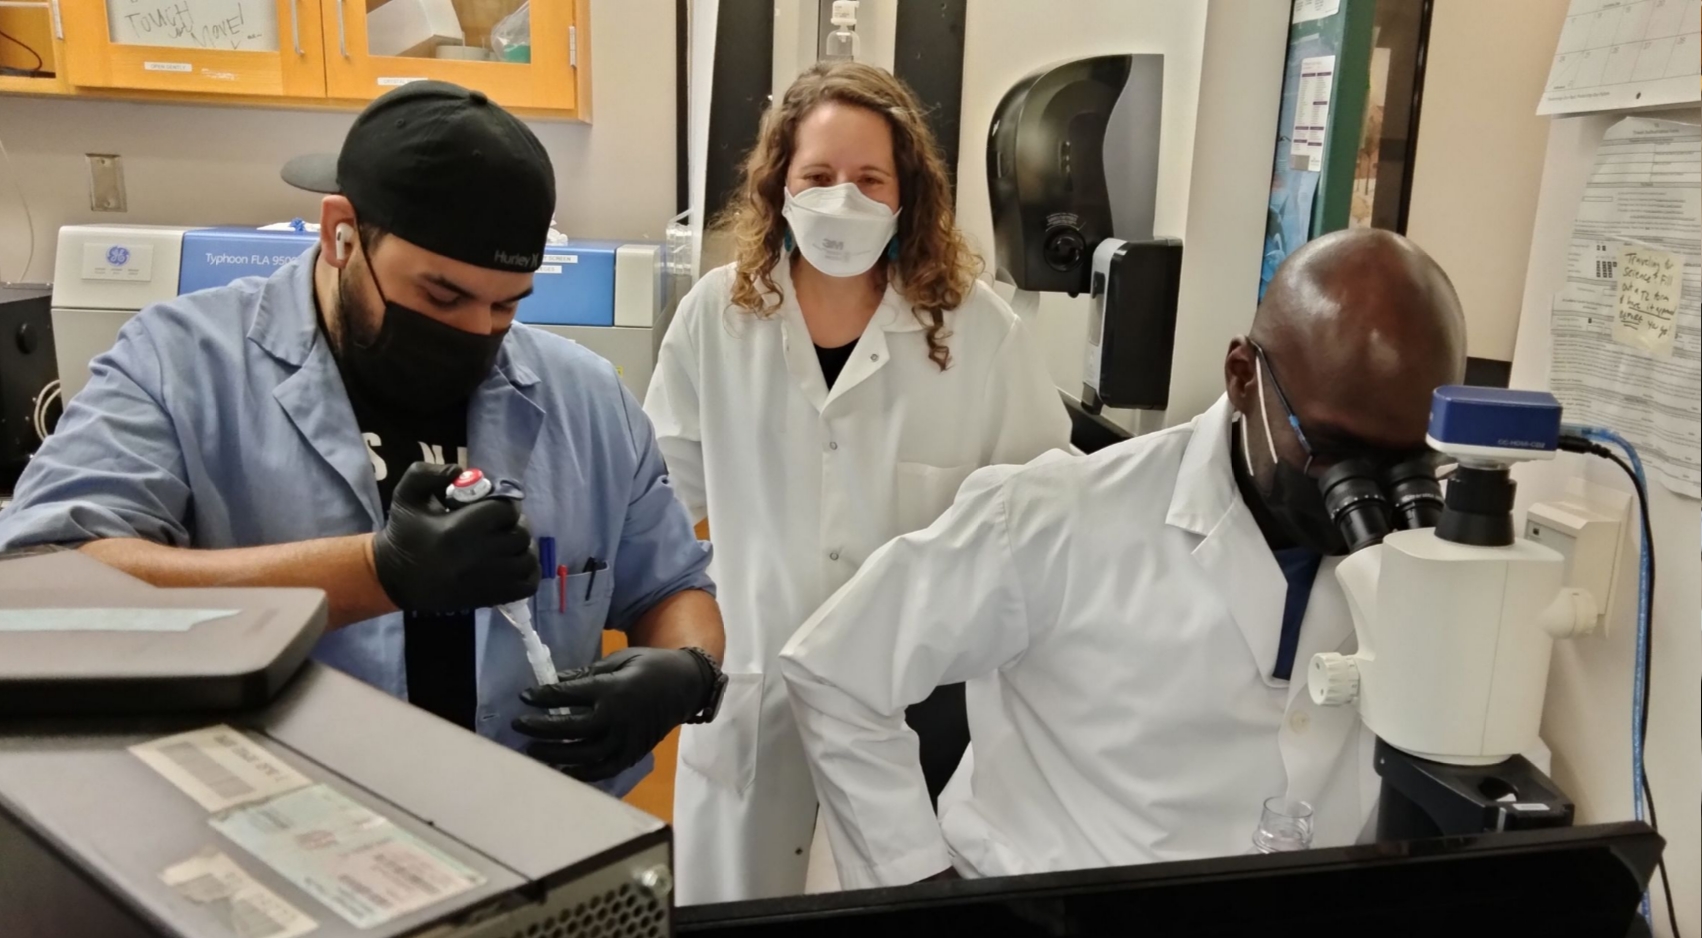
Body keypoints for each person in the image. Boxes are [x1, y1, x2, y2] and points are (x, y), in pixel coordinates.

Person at [0, 82, 727, 795]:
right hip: (278, 836)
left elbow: (672, 585)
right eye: (441, 295)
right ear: (341, 232)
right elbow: (43, 584)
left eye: (506, 305)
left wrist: (684, 670)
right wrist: (376, 573)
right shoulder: (181, 366)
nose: (476, 332)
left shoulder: (585, 398)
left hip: (532, 828)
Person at [778, 228, 1468, 888]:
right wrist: (920, 889)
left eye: (1405, 465)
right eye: (1330, 449)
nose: (1365, 492)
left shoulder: (1430, 561)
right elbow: (836, 668)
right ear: (1241, 378)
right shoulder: (1059, 514)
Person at [645, 62, 1071, 904]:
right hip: (752, 700)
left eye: (869, 178)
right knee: (736, 910)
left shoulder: (981, 335)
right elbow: (656, 508)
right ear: (780, 187)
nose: (843, 198)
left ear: (906, 192)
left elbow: (1044, 531)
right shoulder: (716, 318)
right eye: (818, 177)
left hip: (911, 717)